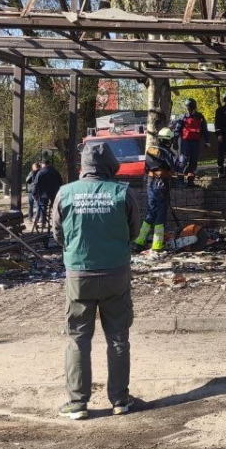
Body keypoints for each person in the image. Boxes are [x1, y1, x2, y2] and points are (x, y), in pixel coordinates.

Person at [51, 142, 142, 420]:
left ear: (84, 165)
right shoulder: (123, 193)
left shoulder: (65, 193)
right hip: (115, 273)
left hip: (79, 275)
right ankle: (120, 400)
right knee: (118, 338)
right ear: (110, 165)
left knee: (78, 338)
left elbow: (57, 233)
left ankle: (77, 403)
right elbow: (135, 231)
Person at [135, 128, 177, 252]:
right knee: (161, 213)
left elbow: (149, 167)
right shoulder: (167, 152)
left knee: (150, 211)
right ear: (169, 140)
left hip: (150, 183)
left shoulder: (150, 149)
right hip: (161, 184)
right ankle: (157, 245)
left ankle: (140, 241)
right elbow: (175, 168)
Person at [174, 98, 209, 186]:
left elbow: (205, 129)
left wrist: (207, 141)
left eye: (189, 108)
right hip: (185, 142)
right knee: (183, 161)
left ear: (193, 107)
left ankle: (190, 181)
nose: (188, 110)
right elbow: (177, 129)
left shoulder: (200, 117)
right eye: (187, 108)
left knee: (193, 162)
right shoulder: (183, 117)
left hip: (196, 142)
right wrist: (175, 140)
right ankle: (180, 181)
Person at [31, 159, 64, 231]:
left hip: (43, 194)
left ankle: (43, 221)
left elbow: (35, 184)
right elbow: (60, 182)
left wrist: (34, 193)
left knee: (43, 208)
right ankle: (55, 221)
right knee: (55, 208)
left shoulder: (40, 172)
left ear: (43, 164)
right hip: (54, 194)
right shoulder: (55, 172)